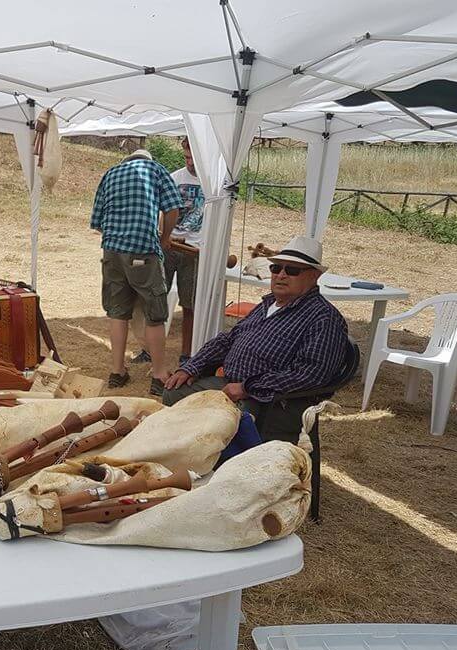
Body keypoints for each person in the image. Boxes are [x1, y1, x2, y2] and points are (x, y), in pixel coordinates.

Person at [161, 236, 348, 442]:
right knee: (174, 392)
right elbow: (228, 340)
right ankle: (182, 453)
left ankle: (210, 461)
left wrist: (247, 388)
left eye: (292, 270)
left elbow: (310, 374)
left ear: (314, 276)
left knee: (233, 420)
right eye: (276, 268)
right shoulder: (268, 304)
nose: (281, 275)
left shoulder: (323, 318)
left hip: (267, 400)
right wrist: (191, 366)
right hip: (229, 383)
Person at [90, 148, 182, 396]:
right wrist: (165, 237)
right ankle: (160, 374)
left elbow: (96, 222)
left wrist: (119, 241)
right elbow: (173, 208)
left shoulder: (110, 173)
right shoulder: (156, 170)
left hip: (112, 251)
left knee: (118, 312)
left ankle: (117, 371)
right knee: (155, 313)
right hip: (143, 250)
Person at [132, 137, 204, 365]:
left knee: (189, 304)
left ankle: (186, 354)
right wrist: (164, 237)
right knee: (156, 300)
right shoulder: (175, 178)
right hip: (170, 246)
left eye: (194, 157)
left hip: (195, 251)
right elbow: (162, 211)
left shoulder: (213, 182)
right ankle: (149, 349)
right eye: (186, 157)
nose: (190, 162)